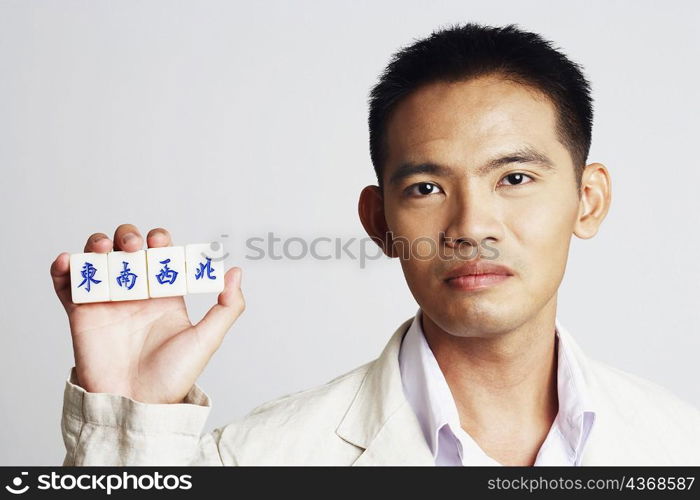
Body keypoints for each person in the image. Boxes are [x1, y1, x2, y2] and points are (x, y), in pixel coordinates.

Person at [51, 22, 700, 466]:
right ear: (378, 221)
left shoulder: (679, 445)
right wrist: (127, 426)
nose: (472, 225)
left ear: (589, 199)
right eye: (425, 188)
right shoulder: (255, 461)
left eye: (515, 178)